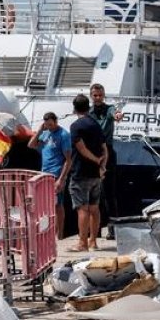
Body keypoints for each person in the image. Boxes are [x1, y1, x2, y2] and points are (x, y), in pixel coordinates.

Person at [69, 94, 108, 252]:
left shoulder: (76, 126)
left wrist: (96, 160)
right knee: (94, 207)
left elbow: (81, 148)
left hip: (81, 172)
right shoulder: (95, 124)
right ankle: (93, 241)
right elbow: (105, 148)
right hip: (95, 174)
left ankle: (82, 243)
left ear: (74, 108)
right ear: (88, 106)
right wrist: (102, 166)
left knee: (82, 209)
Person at [28, 111, 73, 239]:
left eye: (51, 125)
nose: (49, 127)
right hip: (44, 173)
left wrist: (61, 179)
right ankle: (49, 232)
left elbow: (68, 159)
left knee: (57, 204)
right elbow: (31, 145)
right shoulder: (46, 133)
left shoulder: (63, 135)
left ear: (56, 122)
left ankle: (60, 234)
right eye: (47, 125)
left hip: (56, 173)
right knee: (47, 204)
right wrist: (40, 131)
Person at [89, 83, 123, 230]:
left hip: (107, 152)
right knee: (93, 193)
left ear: (104, 96)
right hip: (92, 152)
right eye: (95, 95)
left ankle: (113, 228)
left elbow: (114, 114)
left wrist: (118, 115)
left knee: (109, 191)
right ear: (91, 96)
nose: (97, 98)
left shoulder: (109, 109)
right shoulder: (88, 112)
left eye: (100, 95)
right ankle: (95, 229)